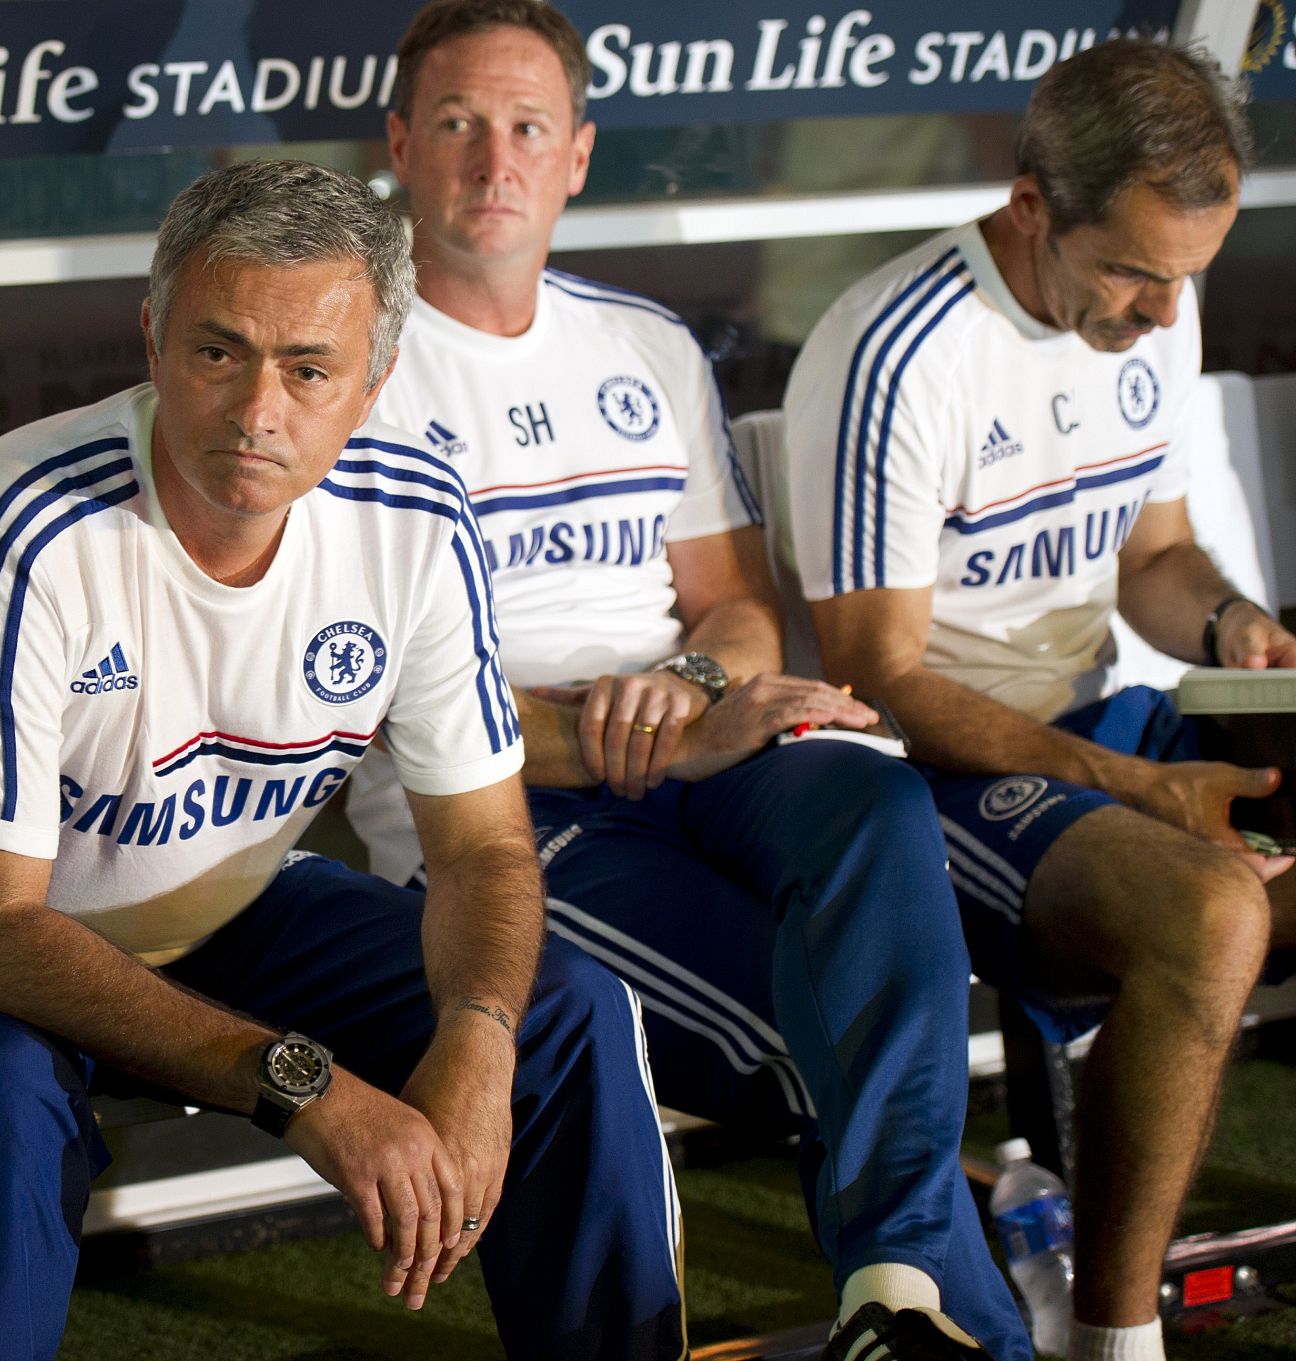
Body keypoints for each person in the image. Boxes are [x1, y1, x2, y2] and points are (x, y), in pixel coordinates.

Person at [0, 158, 687, 1361]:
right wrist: (302, 1081)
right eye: (219, 352)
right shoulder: (22, 520)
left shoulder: (415, 516)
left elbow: (478, 843)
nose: (259, 410)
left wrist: (475, 1035)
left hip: (222, 900)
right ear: (153, 336)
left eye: (309, 369)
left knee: (567, 1011)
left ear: (373, 383)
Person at [345, 4, 1031, 1358]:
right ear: (402, 147)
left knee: (878, 800)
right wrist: (661, 734)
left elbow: (735, 606)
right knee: (826, 1029)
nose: (497, 160)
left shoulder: (644, 344)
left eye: (530, 127)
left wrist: (710, 681)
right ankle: (960, 1334)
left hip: (697, 758)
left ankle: (894, 1285)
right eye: (462, 125)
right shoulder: (346, 362)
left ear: (581, 155)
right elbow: (360, 695)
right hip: (502, 825)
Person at [784, 39, 1296, 1361]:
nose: (1168, 314)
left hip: (1099, 724)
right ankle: (1116, 1341)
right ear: (1031, 210)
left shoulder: (1150, 311)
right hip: (923, 779)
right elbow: (881, 675)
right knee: (1212, 903)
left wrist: (1240, 630)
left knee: (1230, 888)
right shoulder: (895, 351)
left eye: (1188, 274)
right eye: (1135, 273)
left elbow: (1155, 561)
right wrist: (1140, 787)